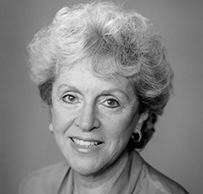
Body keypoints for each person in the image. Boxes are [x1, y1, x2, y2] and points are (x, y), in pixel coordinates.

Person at [19, 1, 189, 194]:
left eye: (110, 102)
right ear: (51, 104)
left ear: (140, 117)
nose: (86, 122)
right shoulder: (34, 187)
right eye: (70, 97)